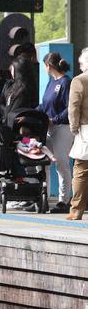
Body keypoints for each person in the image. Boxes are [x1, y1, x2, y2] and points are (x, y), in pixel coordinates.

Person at [37, 52, 73, 213]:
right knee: (43, 162)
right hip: (49, 127)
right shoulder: (51, 82)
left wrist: (55, 119)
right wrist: (28, 114)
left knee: (61, 163)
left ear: (48, 66)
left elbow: (69, 107)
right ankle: (41, 198)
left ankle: (64, 201)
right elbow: (44, 105)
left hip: (62, 127)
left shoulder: (66, 82)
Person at [68, 47, 88, 220]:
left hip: (85, 129)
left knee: (80, 169)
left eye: (81, 62)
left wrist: (74, 128)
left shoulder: (79, 80)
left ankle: (77, 210)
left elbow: (74, 106)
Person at [1, 56, 38, 128]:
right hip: (11, 126)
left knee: (26, 139)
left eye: (12, 69)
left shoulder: (24, 90)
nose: (10, 71)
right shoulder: (13, 86)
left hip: (22, 131)